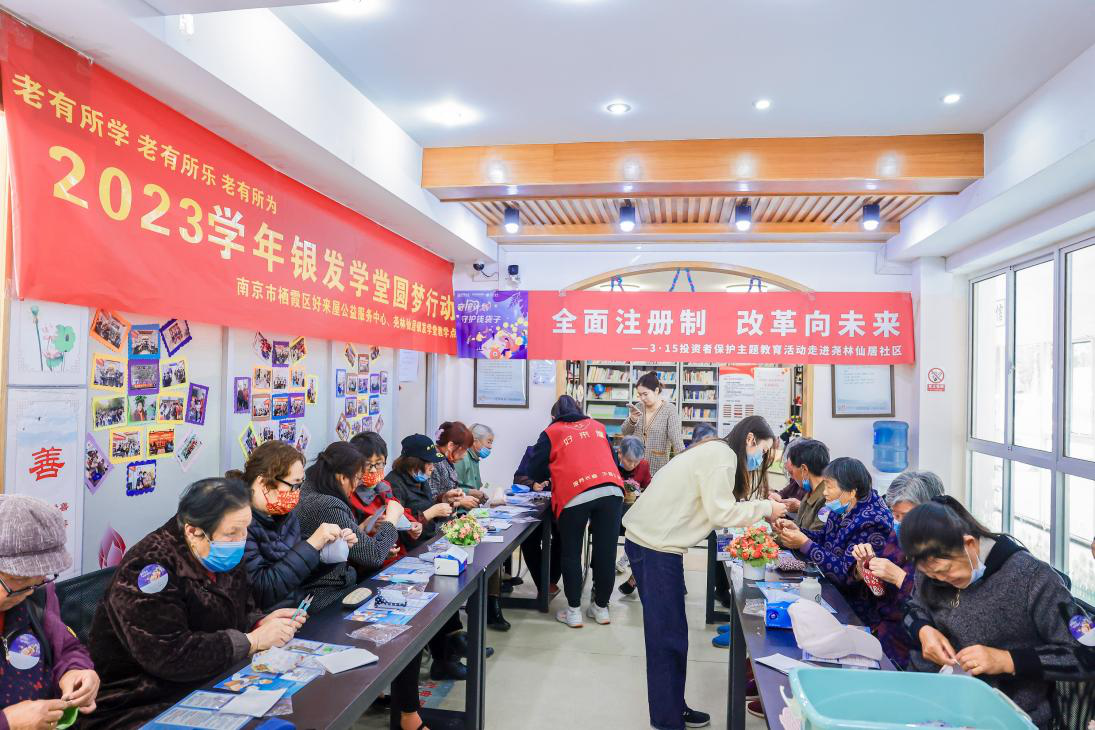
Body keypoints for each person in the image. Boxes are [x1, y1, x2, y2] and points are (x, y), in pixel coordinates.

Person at [87, 478, 306, 728]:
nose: (241, 539)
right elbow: (169, 654)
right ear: (193, 531)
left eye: (245, 528)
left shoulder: (222, 553)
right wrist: (251, 641)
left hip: (210, 681)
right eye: (232, 533)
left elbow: (240, 608)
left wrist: (259, 623)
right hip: (141, 701)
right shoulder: (149, 569)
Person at [623, 415, 787, 730]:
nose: (761, 458)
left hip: (655, 544)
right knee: (666, 638)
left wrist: (762, 502)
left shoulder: (718, 452)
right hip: (655, 548)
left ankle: (673, 707)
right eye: (763, 451)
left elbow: (720, 502)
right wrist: (767, 508)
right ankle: (666, 719)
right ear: (750, 439)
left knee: (673, 635)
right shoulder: (723, 457)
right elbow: (721, 512)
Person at [901, 497, 1084, 728]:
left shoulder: (1031, 579)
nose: (941, 580)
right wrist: (923, 629)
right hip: (936, 703)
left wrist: (1007, 660)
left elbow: (1086, 654)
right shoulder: (932, 564)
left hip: (1003, 716)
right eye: (932, 576)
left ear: (969, 544)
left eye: (946, 572)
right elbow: (912, 606)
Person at [0, 496, 99, 730]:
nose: (27, 591)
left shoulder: (36, 597)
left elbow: (65, 648)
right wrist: (8, 722)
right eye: (18, 580)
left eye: (38, 579)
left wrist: (74, 672)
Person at [528, 395, 624, 629]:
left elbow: (534, 469)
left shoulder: (552, 431)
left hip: (575, 492)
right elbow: (613, 460)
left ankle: (573, 612)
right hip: (611, 490)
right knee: (606, 553)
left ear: (554, 416)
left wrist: (549, 474)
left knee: (571, 553)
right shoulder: (598, 427)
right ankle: (601, 609)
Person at [385, 435, 471, 681]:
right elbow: (402, 525)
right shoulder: (394, 484)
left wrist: (442, 499)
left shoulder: (418, 480)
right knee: (436, 597)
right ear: (414, 463)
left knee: (448, 590)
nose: (433, 467)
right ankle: (446, 658)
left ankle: (455, 647)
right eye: (429, 463)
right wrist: (431, 512)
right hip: (407, 553)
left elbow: (422, 504)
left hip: (427, 545)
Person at [239, 441, 359, 612]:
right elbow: (261, 591)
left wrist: (329, 552)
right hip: (265, 621)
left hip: (294, 613)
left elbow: (298, 577)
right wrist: (311, 545)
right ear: (264, 484)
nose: (297, 493)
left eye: (301, 485)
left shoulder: (286, 517)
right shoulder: (239, 524)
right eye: (294, 485)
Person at [294, 442, 405, 611]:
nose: (356, 486)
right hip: (327, 597)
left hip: (333, 588)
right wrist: (392, 520)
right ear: (342, 478)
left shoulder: (311, 489)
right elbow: (373, 556)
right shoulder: (325, 504)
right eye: (358, 479)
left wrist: (361, 530)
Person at [348, 432, 424, 568]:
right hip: (368, 564)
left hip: (397, 556)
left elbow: (398, 509)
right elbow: (350, 540)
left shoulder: (384, 486)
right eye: (367, 464)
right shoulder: (350, 494)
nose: (373, 470)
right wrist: (367, 528)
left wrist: (412, 524)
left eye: (378, 464)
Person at [514, 444, 561, 596]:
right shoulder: (532, 451)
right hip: (536, 507)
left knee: (563, 538)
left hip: (560, 507)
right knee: (528, 539)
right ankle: (543, 583)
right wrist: (532, 484)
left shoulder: (567, 452)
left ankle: (551, 580)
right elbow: (518, 477)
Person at [622, 372, 686, 475]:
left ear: (656, 390)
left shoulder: (669, 410)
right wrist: (632, 419)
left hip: (657, 469)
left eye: (645, 394)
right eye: (640, 395)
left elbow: (677, 441)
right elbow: (625, 432)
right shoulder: (638, 407)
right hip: (635, 467)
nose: (642, 398)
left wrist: (685, 463)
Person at [616, 435, 651, 595]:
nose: (632, 465)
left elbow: (648, 487)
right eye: (629, 460)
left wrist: (640, 494)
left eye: (636, 462)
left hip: (634, 514)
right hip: (613, 513)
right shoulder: (610, 464)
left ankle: (635, 577)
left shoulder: (643, 465)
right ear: (620, 454)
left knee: (646, 537)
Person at [426, 422, 482, 509]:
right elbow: (431, 500)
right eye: (464, 449)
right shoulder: (434, 462)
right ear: (451, 445)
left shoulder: (445, 458)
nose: (464, 455)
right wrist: (459, 502)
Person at [780, 438, 830, 533]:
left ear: (804, 470)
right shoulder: (810, 493)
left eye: (792, 472)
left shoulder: (827, 499)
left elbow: (814, 537)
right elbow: (799, 526)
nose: (792, 477)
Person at [456, 423, 493, 491]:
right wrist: (470, 492)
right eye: (488, 442)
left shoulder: (475, 459)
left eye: (491, 443)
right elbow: (452, 488)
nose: (491, 447)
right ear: (475, 442)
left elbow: (476, 485)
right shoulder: (463, 458)